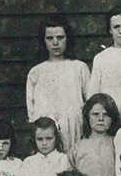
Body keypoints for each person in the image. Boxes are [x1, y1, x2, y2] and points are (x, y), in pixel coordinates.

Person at [26, 14, 90, 150]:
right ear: (43, 41)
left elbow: (88, 101)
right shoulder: (36, 72)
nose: (55, 43)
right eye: (50, 38)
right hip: (47, 133)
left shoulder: (79, 67)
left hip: (74, 130)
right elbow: (31, 110)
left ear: (68, 39)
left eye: (60, 38)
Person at [69, 94, 121, 176]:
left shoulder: (116, 142)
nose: (101, 119)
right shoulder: (78, 147)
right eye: (95, 114)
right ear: (88, 116)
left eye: (106, 115)